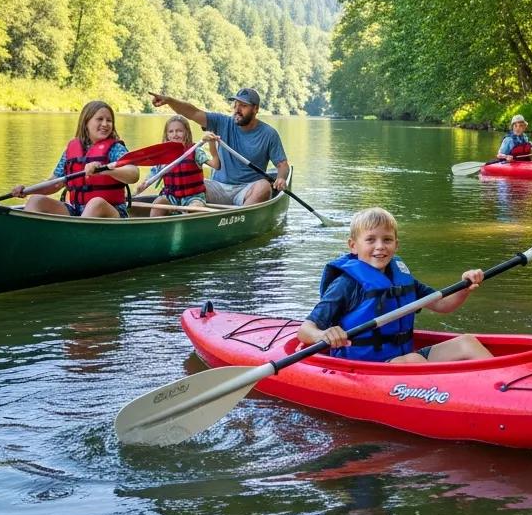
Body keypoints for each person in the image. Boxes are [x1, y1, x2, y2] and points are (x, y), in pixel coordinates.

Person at [297, 207, 493, 363]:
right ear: (353, 246)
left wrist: (464, 287)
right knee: (414, 360)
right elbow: (305, 330)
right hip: (367, 367)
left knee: (467, 343)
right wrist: (324, 334)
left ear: (396, 245)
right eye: (371, 240)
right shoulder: (345, 284)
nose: (380, 246)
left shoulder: (401, 278)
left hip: (404, 360)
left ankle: (501, 389)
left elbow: (442, 305)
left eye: (387, 239)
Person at [149, 88, 289, 205]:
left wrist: (281, 178)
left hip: (247, 189)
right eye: (236, 104)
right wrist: (169, 101)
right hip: (218, 188)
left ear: (256, 109)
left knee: (264, 187)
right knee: (192, 182)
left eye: (243, 106)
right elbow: (193, 113)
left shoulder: (269, 134)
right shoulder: (222, 122)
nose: (237, 109)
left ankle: (240, 218)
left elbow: (282, 165)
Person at [10, 100, 138, 218]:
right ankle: (29, 238)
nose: (105, 124)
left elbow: (134, 174)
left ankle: (77, 238)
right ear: (86, 122)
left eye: (109, 120)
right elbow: (54, 183)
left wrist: (105, 170)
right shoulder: (71, 150)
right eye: (99, 119)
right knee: (36, 200)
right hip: (76, 210)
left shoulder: (115, 149)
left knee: (95, 203)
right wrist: (27, 190)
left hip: (111, 212)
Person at [148, 116, 221, 212]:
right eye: (171, 131)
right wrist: (142, 185)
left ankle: (190, 223)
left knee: (196, 207)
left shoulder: (196, 151)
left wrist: (211, 144)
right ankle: (155, 226)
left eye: (179, 131)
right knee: (158, 203)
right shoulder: (163, 155)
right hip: (171, 196)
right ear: (166, 135)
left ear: (187, 132)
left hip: (194, 197)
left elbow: (216, 165)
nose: (175, 134)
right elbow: (152, 175)